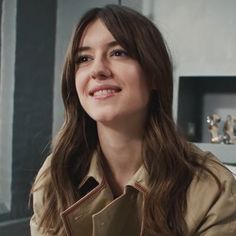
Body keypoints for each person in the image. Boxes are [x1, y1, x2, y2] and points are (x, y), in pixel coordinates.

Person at [30, 4, 236, 236]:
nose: (97, 70)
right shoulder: (55, 175)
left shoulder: (214, 188)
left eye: (118, 52)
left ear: (154, 74)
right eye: (84, 58)